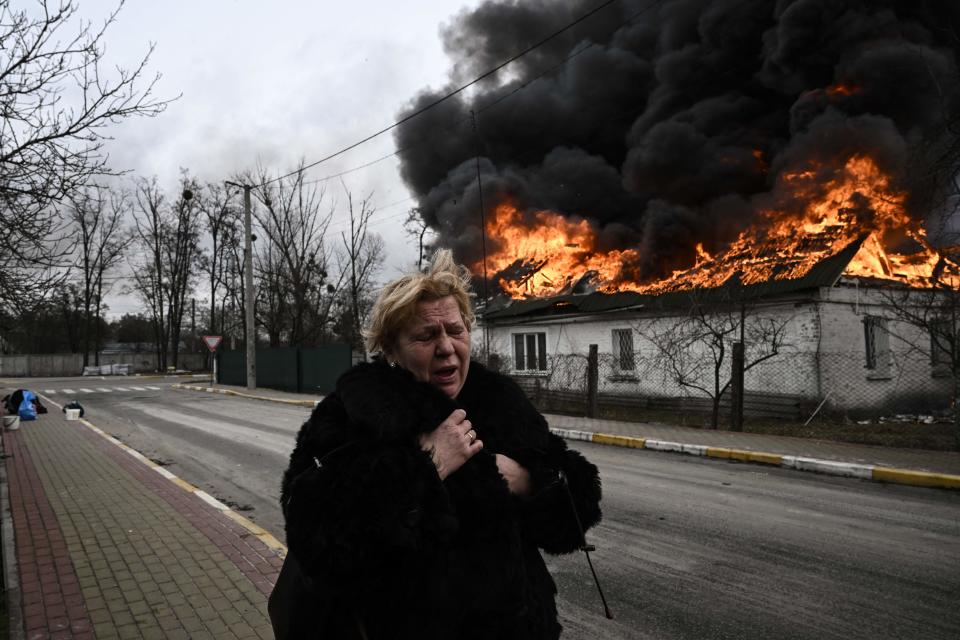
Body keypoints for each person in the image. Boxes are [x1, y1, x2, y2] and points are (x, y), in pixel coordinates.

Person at [278, 250, 602, 639]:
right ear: (390, 350)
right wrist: (428, 465)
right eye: (427, 335)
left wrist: (528, 479)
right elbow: (316, 536)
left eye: (456, 330)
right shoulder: (354, 413)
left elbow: (578, 501)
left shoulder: (499, 403)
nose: (447, 347)